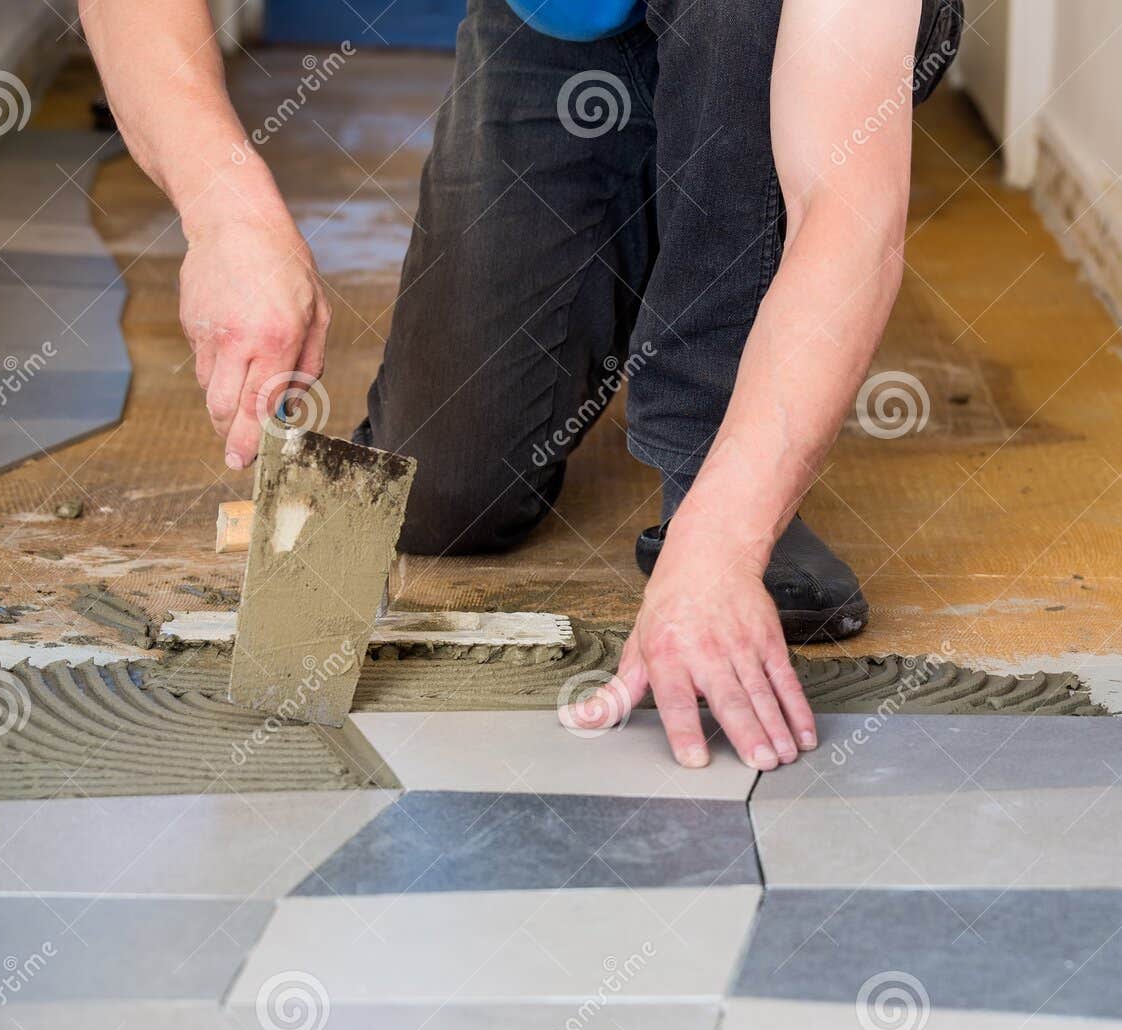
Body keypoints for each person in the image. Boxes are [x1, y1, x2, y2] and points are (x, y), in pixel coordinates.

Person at [78, 0, 961, 771]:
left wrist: (723, 542)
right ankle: (657, 194)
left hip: (766, 30)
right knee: (445, 489)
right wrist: (225, 211)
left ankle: (713, 448)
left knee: (736, 29)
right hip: (561, 21)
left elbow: (846, 207)